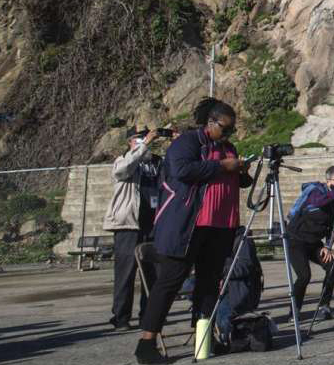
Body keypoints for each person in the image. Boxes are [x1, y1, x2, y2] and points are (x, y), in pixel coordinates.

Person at [134, 98, 252, 365]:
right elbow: (182, 170)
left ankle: (203, 339)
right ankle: (146, 344)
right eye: (225, 128)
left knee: (209, 284)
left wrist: (242, 171)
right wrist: (223, 166)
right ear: (210, 123)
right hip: (188, 225)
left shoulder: (227, 147)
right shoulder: (187, 143)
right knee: (169, 282)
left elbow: (236, 180)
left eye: (232, 129)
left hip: (220, 225)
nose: (229, 134)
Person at [105, 126, 162, 331]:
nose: (143, 141)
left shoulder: (156, 162)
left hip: (153, 225)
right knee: (125, 273)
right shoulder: (124, 159)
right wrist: (143, 145)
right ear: (130, 142)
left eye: (145, 138)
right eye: (138, 139)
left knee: (153, 274)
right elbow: (121, 171)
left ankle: (149, 315)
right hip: (128, 224)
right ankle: (121, 318)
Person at [285, 166, 334, 321]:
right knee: (304, 275)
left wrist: (328, 246)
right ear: (328, 181)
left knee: (332, 266)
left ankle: (324, 305)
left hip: (314, 242)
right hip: (296, 239)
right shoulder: (316, 191)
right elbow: (317, 202)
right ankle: (294, 310)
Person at [214, 228, 263, 346]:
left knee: (223, 320)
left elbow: (246, 266)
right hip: (220, 284)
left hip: (237, 289)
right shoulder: (215, 237)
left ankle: (233, 338)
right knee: (190, 285)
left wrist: (219, 269)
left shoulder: (242, 240)